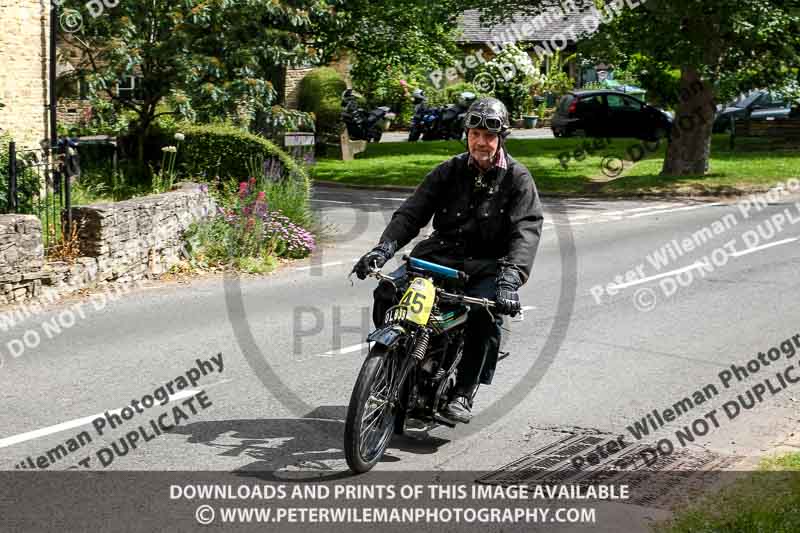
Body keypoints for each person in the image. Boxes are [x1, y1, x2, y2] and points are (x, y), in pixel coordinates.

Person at [352, 97, 544, 423]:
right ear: (466, 135)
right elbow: (412, 214)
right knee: (386, 292)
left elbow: (525, 231)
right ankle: (399, 357)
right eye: (475, 134)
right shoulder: (448, 171)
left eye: (488, 136)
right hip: (438, 256)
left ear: (501, 138)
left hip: (485, 265)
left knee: (485, 316)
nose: (481, 142)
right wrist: (382, 250)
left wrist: (510, 278)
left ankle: (463, 392)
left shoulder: (517, 179)